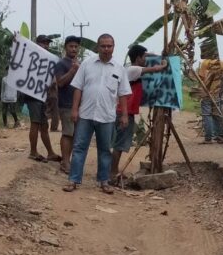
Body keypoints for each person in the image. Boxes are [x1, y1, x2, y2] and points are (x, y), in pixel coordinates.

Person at [64, 34, 131, 194]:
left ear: (114, 47)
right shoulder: (87, 64)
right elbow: (78, 88)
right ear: (98, 47)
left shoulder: (119, 68)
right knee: (79, 147)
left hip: (106, 116)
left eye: (109, 46)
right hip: (86, 115)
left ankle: (104, 182)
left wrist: (124, 115)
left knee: (104, 150)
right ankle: (73, 180)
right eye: (103, 46)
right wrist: (74, 109)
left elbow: (123, 94)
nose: (106, 49)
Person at [111, 45, 167, 178]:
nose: (146, 59)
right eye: (144, 57)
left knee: (118, 143)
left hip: (122, 111)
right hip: (124, 112)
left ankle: (112, 170)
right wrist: (164, 63)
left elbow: (148, 55)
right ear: (138, 58)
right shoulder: (134, 69)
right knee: (119, 144)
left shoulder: (129, 68)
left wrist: (157, 54)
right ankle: (112, 172)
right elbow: (155, 69)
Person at [25, 35, 61, 163]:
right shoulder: (30, 56)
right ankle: (33, 152)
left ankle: (50, 152)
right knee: (35, 123)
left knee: (44, 125)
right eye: (43, 43)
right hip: (32, 94)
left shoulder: (48, 60)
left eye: (47, 43)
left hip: (42, 96)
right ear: (37, 44)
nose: (46, 45)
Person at [53, 36, 81, 174]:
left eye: (76, 47)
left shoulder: (79, 64)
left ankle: (68, 161)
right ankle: (65, 162)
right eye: (71, 46)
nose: (74, 49)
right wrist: (72, 70)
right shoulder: (61, 64)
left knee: (75, 135)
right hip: (66, 104)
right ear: (65, 47)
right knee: (68, 134)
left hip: (78, 105)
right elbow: (60, 82)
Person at [199, 59, 223, 143]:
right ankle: (219, 136)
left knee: (207, 115)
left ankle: (208, 137)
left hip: (206, 93)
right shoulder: (221, 63)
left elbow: (201, 78)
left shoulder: (205, 63)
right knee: (217, 115)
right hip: (217, 93)